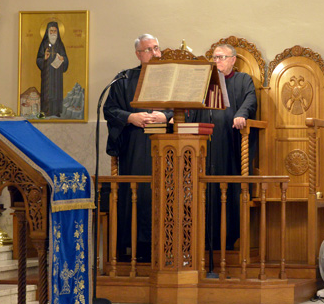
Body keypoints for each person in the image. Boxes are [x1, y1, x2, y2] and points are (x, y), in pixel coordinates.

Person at [103, 34, 172, 262]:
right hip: (135, 145)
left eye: (156, 48)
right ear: (138, 54)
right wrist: (131, 117)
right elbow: (110, 109)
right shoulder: (124, 79)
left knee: (163, 194)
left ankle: (166, 246)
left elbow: (189, 108)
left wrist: (165, 115)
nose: (155, 53)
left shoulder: (172, 77)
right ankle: (135, 248)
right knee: (137, 195)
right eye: (148, 49)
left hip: (167, 146)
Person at [188, 43, 257, 252]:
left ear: (233, 60)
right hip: (204, 147)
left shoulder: (242, 80)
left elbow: (250, 100)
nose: (217, 62)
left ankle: (226, 240)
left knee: (227, 191)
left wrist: (241, 114)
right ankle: (203, 241)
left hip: (229, 146)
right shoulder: (205, 83)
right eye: (215, 58)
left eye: (221, 57)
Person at [35, 21, 69, 118]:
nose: (53, 33)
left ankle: (56, 111)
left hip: (57, 74)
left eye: (55, 31)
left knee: (56, 92)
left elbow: (65, 58)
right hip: (47, 73)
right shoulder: (44, 44)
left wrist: (63, 59)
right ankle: (46, 111)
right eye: (51, 31)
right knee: (47, 92)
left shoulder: (60, 44)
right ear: (47, 32)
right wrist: (45, 58)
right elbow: (38, 59)